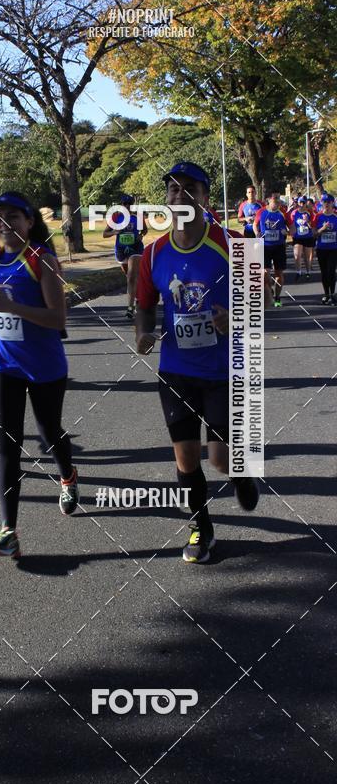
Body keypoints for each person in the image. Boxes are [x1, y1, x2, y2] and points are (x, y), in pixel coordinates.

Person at [136, 161, 271, 564]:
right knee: (186, 457)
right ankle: (200, 527)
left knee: (221, 458)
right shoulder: (153, 253)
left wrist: (235, 316)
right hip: (176, 370)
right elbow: (143, 306)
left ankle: (242, 473)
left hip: (225, 369)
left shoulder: (233, 244)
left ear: (206, 197)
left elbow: (263, 299)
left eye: (190, 189)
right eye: (173, 190)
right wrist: (142, 333)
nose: (181, 196)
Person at [0, 190, 78, 558]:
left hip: (44, 366)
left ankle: (67, 475)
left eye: (14, 216)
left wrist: (12, 307)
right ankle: (8, 530)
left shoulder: (41, 260)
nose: (5, 223)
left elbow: (58, 318)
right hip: (3, 365)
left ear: (29, 222)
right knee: (7, 446)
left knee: (49, 433)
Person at [103, 193, 147, 319]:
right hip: (121, 249)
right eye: (125, 204)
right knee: (129, 276)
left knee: (132, 277)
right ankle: (137, 296)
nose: (127, 206)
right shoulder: (116, 217)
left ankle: (130, 308)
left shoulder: (137, 217)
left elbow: (144, 230)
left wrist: (140, 236)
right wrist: (114, 232)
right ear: (121, 205)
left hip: (135, 247)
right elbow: (104, 234)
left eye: (129, 204)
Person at [254, 193, 289, 307]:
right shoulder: (261, 212)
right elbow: (255, 225)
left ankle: (278, 298)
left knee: (279, 273)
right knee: (265, 273)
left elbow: (292, 229)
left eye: (278, 201)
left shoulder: (283, 213)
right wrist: (257, 234)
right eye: (275, 201)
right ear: (269, 201)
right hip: (265, 246)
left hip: (279, 246)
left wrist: (287, 232)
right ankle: (270, 290)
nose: (277, 204)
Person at [313, 193, 337, 305]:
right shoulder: (318, 216)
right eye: (324, 202)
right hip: (322, 248)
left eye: (328, 202)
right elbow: (314, 234)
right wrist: (323, 228)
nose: (326, 204)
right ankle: (326, 294)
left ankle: (332, 295)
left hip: (334, 248)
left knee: (331, 271)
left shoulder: (335, 217)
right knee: (324, 272)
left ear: (333, 203)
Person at [288, 196, 315, 280]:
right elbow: (290, 224)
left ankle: (308, 272)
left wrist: (307, 221)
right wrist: (291, 232)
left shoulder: (310, 212)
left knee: (307, 257)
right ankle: (298, 272)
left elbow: (313, 227)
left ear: (306, 203)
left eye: (303, 202)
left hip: (308, 237)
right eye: (300, 203)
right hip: (297, 237)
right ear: (298, 203)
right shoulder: (294, 213)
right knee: (297, 255)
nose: (302, 204)